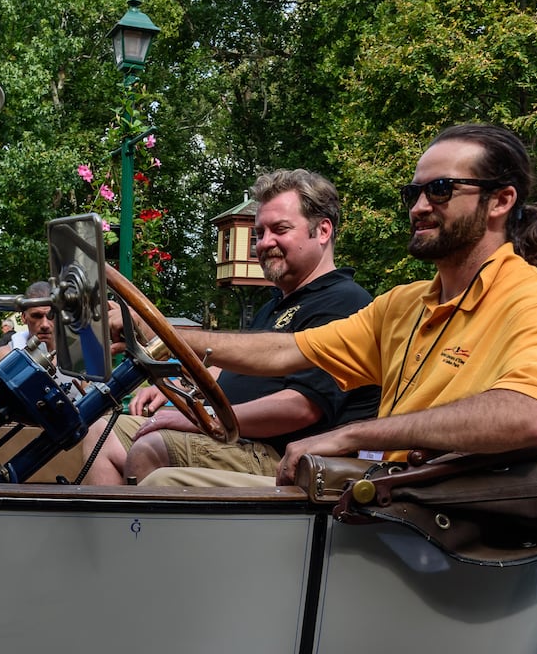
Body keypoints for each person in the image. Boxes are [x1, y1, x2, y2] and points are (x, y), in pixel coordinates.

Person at [129, 123, 537, 487]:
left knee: (163, 482)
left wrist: (353, 434)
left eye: (441, 190)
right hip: (376, 495)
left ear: (501, 200)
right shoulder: (405, 304)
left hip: (428, 514)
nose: (419, 207)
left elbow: (528, 415)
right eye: (414, 193)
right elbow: (287, 352)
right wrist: (164, 334)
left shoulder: (533, 300)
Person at [82, 169, 379, 484]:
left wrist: (202, 418)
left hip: (285, 457)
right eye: (259, 233)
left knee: (151, 447)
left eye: (280, 229)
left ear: (322, 231)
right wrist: (178, 390)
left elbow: (302, 407)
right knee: (100, 431)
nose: (265, 243)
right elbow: (228, 374)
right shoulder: (273, 307)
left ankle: (139, 531)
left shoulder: (344, 303)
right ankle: (112, 532)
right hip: (236, 439)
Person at [0, 283, 57, 420]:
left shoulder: (76, 358)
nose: (44, 324)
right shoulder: (4, 356)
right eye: (36, 316)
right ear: (24, 317)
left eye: (51, 316)